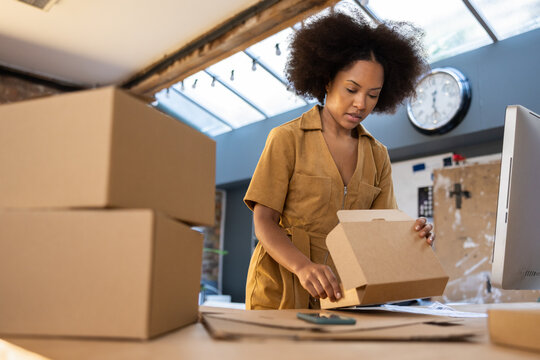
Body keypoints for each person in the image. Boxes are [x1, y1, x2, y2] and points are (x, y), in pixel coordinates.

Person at [243, 10, 433, 310]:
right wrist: (303, 267)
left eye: (373, 94)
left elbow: (379, 233)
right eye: (351, 89)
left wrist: (410, 237)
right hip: (278, 296)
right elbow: (263, 221)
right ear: (327, 79)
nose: (361, 103)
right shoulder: (286, 139)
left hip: (341, 300)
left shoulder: (377, 155)